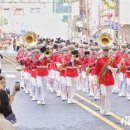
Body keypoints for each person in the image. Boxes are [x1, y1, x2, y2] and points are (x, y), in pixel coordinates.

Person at [95, 46, 117, 115]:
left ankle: (108, 110)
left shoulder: (112, 59)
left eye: (107, 51)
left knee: (109, 96)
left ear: (108, 51)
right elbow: (96, 72)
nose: (106, 52)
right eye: (105, 51)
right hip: (102, 80)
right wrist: (97, 81)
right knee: (103, 94)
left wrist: (111, 68)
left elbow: (116, 70)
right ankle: (102, 107)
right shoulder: (99, 60)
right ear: (102, 51)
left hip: (110, 80)